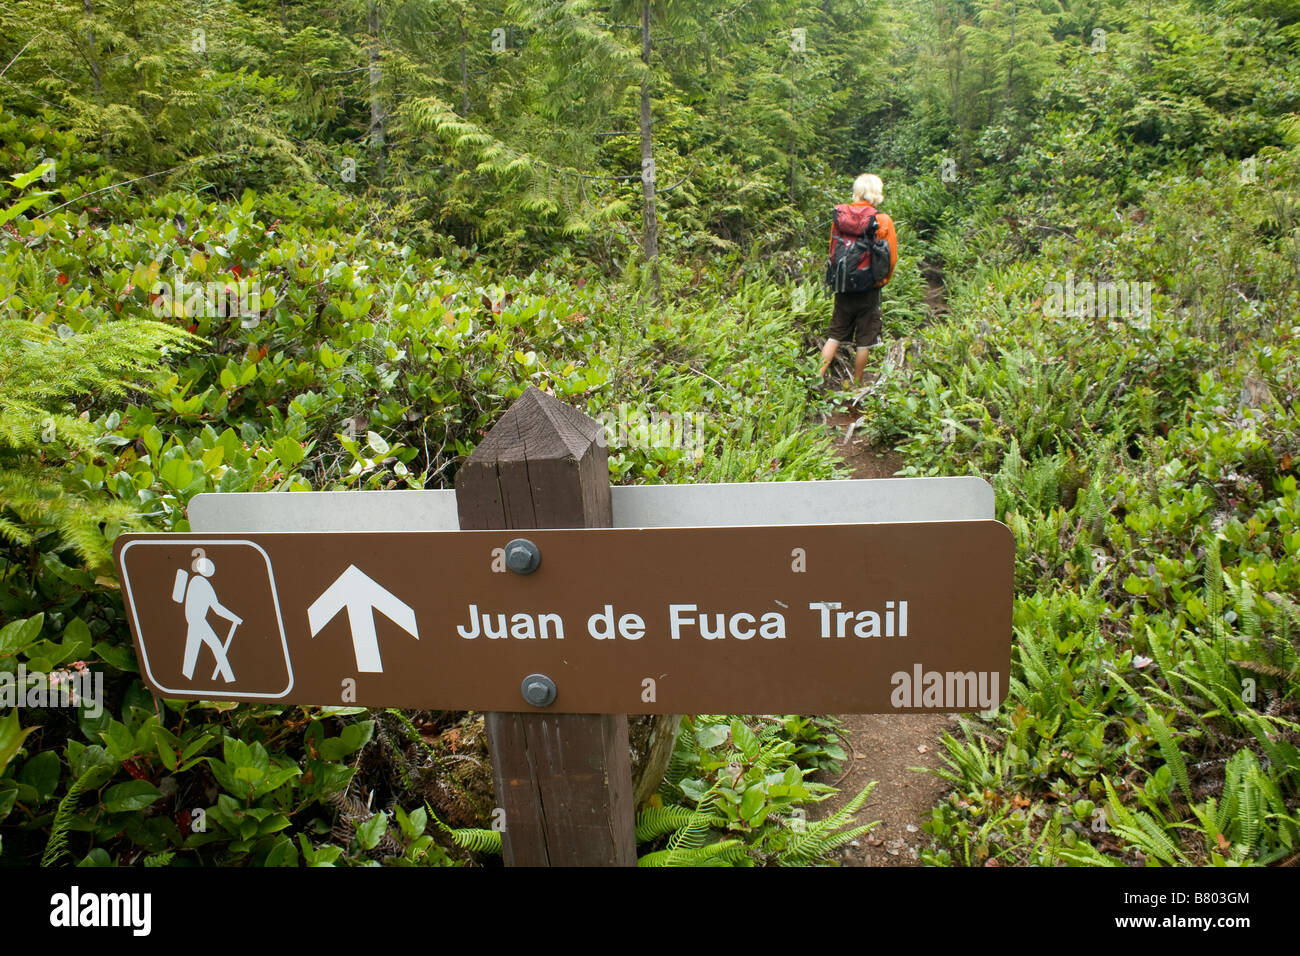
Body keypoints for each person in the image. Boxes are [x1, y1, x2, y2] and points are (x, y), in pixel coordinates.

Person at [818, 173, 898, 386]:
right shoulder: (882, 220)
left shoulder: (840, 217)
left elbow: (832, 250)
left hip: (843, 286)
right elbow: (890, 259)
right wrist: (881, 281)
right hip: (869, 289)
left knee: (834, 335)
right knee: (865, 341)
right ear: (876, 193)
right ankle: (857, 385)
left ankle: (815, 378)